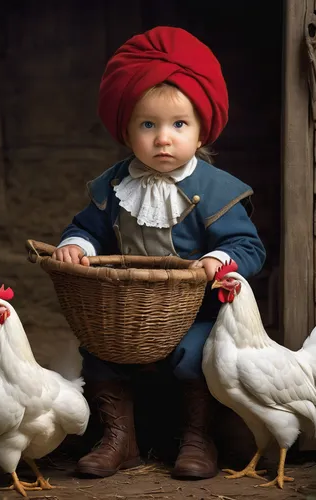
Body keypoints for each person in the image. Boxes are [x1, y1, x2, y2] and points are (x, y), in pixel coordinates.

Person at [52, 26, 266, 480]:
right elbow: (86, 228)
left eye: (178, 125)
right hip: (127, 312)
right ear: (126, 130)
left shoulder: (212, 190)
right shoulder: (115, 185)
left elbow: (248, 247)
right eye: (148, 125)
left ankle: (199, 436)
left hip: (197, 311)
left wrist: (218, 262)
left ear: (201, 128)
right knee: (98, 350)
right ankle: (118, 439)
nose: (163, 139)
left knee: (196, 353)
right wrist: (76, 245)